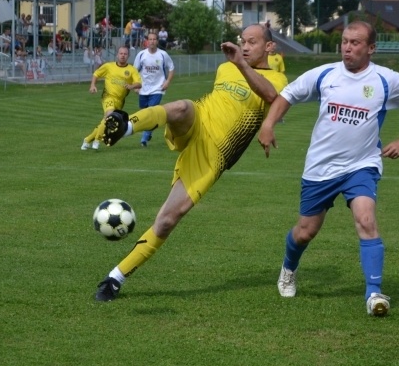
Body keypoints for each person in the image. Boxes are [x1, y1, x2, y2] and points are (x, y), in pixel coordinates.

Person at [93, 24, 288, 301]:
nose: (244, 47)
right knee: (182, 106)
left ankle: (114, 279)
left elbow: (271, 96)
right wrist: (239, 64)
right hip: (199, 119)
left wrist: (242, 65)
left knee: (166, 220)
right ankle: (124, 126)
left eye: (252, 42)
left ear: (269, 47)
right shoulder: (225, 68)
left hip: (215, 154)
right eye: (242, 41)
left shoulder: (278, 79)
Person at [258, 20, 399, 316]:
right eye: (345, 41)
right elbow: (288, 95)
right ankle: (288, 268)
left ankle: (374, 293)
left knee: (366, 219)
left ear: (371, 48)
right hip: (321, 167)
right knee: (305, 232)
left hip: (361, 165)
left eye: (355, 43)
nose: (347, 48)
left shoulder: (387, 80)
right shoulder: (325, 74)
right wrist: (268, 124)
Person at [81, 46, 142, 151]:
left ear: (128, 56)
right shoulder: (109, 66)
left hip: (120, 101)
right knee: (109, 116)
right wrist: (92, 85)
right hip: (108, 96)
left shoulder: (132, 70)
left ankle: (87, 140)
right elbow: (96, 74)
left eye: (125, 54)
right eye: (121, 53)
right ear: (117, 55)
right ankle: (97, 140)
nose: (123, 56)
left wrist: (132, 86)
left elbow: (139, 83)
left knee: (107, 121)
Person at [132, 32, 175, 147]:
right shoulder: (141, 55)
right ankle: (150, 129)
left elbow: (171, 68)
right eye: (150, 39)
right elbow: (134, 71)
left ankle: (144, 138)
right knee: (144, 113)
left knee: (151, 111)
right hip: (143, 89)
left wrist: (167, 82)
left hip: (158, 88)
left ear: (157, 41)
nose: (152, 41)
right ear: (147, 41)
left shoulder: (163, 55)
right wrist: (135, 86)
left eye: (154, 39)